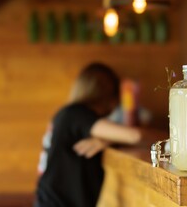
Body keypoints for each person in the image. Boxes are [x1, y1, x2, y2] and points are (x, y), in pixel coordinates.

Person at [34, 62, 143, 207]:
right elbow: (135, 136)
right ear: (108, 95)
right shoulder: (76, 113)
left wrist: (107, 140)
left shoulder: (66, 115)